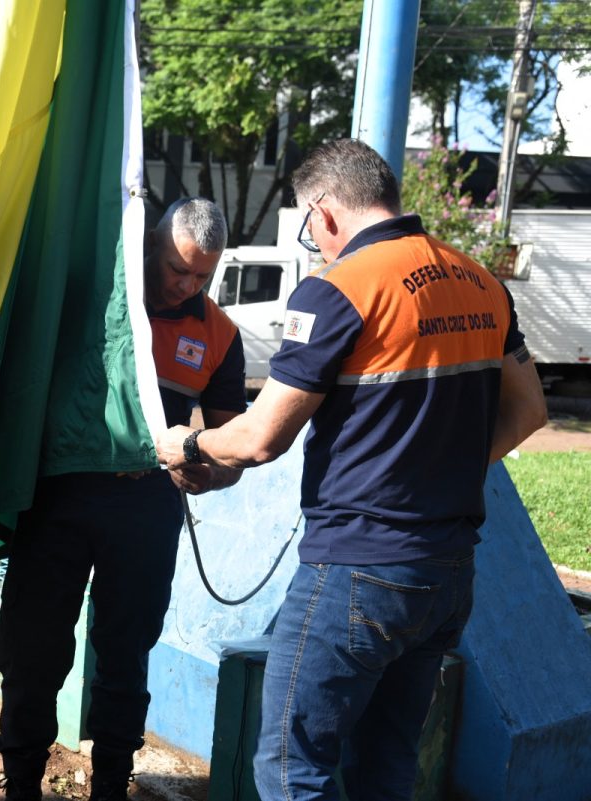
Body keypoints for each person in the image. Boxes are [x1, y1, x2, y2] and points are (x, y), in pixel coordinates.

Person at [155, 139, 548, 801]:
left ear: (326, 213)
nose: (315, 242)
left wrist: (186, 448)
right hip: (446, 570)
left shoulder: (340, 288)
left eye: (311, 228)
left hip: (356, 569)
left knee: (290, 769)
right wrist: (436, 469)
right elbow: (530, 410)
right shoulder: (481, 281)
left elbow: (261, 438)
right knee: (387, 768)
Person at [0, 198, 248, 801]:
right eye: (175, 269)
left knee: (126, 655)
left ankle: (111, 782)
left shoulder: (219, 334)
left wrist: (205, 469)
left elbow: (229, 443)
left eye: (201, 277)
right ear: (149, 247)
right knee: (32, 650)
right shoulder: (95, 299)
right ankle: (21, 780)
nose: (185, 286)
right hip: (57, 497)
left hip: (145, 509)